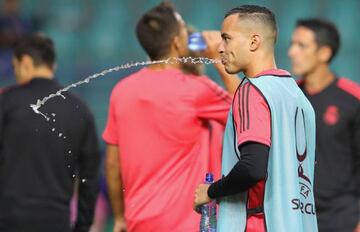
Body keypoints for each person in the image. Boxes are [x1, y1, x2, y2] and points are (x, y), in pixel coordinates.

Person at [103, 2, 239, 232]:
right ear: (177, 42)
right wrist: (218, 57)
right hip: (189, 224)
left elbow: (112, 164)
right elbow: (248, 113)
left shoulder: (121, 91)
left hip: (139, 221)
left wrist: (119, 217)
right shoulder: (196, 89)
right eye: (184, 30)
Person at [194, 5, 318, 232]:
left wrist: (210, 191)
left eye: (227, 38)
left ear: (253, 42)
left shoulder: (252, 90)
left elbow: (253, 167)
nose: (220, 48)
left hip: (261, 224)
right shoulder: (297, 95)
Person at [0, 34, 100, 232]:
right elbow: (90, 178)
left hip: (9, 220)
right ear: (52, 65)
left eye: (15, 67)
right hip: (57, 221)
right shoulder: (80, 109)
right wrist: (83, 225)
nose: (16, 74)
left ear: (25, 62)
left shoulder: (6, 103)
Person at [289, 18, 360, 232]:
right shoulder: (289, 97)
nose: (292, 52)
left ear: (324, 53)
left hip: (342, 219)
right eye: (292, 44)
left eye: (301, 45)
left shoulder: (352, 99)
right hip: (297, 217)